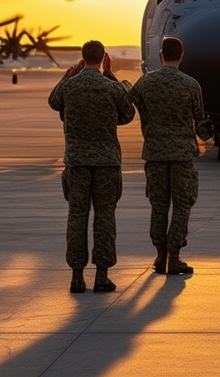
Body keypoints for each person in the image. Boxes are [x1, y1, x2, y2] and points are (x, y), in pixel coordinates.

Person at [49, 40, 135, 293]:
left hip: (77, 161)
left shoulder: (70, 86)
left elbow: (54, 102)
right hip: (106, 162)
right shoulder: (110, 87)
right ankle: (102, 275)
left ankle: (77, 276)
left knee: (77, 216)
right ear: (104, 57)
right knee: (105, 217)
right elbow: (128, 115)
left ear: (82, 57)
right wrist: (110, 75)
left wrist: (68, 76)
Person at [129, 37, 211, 276]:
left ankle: (160, 255)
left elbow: (128, 103)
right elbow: (201, 124)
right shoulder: (191, 84)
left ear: (161, 53)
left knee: (158, 206)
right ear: (182, 55)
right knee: (182, 205)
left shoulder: (146, 82)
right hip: (181, 154)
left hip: (154, 153)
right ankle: (174, 256)